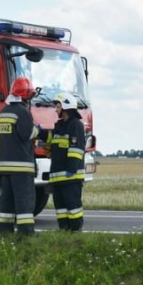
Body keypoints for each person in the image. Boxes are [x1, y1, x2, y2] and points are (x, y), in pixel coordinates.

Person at [0, 77, 42, 235]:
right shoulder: (23, 112)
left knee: (6, 202)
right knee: (24, 202)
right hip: (21, 166)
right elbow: (27, 134)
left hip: (4, 166)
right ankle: (26, 233)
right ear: (25, 96)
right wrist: (38, 129)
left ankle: (4, 232)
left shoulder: (3, 112)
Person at [47, 92, 86, 231]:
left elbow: (76, 149)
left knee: (73, 207)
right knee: (61, 208)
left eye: (58, 106)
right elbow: (52, 140)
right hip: (58, 177)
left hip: (71, 177)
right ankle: (63, 231)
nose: (56, 109)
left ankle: (75, 232)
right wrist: (39, 131)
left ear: (65, 107)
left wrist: (72, 169)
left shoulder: (75, 125)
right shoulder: (59, 125)